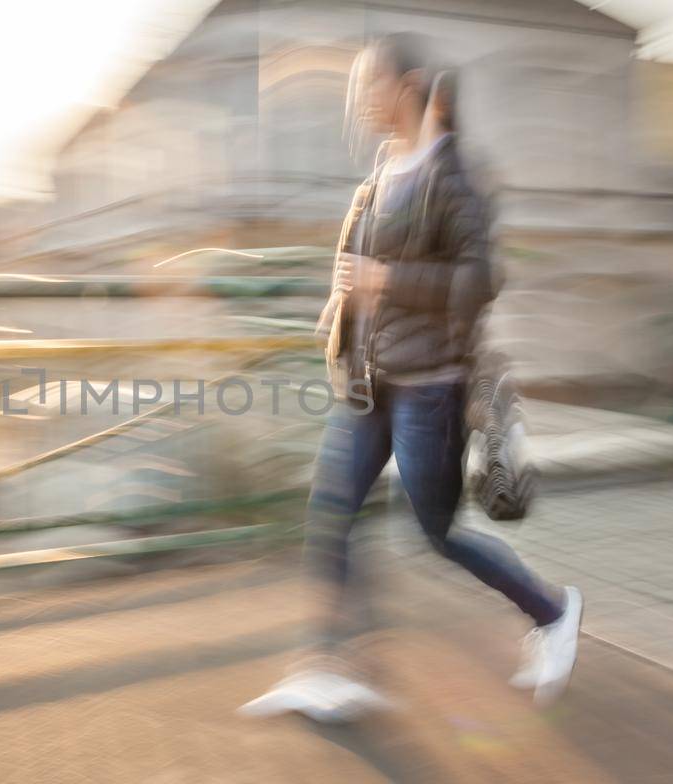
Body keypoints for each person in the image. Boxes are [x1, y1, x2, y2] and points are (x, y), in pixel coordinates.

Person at [242, 33, 582, 722]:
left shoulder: (456, 177)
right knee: (330, 514)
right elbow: (357, 270)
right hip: (368, 382)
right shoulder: (379, 173)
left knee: (435, 534)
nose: (360, 98)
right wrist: (343, 308)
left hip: (430, 385)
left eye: (371, 83)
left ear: (412, 87)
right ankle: (333, 668)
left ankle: (552, 610)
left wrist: (387, 280)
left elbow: (481, 279)